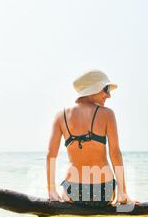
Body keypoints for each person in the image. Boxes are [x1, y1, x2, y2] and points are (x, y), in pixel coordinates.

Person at [46, 69, 136, 206]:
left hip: (72, 191)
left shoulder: (60, 116)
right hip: (103, 191)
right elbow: (115, 153)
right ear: (94, 89)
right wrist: (122, 193)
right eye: (106, 89)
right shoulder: (107, 114)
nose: (109, 95)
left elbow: (50, 155)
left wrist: (51, 190)